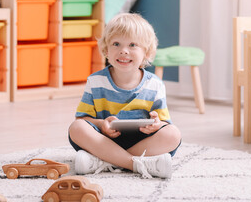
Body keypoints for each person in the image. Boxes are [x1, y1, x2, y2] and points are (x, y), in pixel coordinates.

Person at [68, 13, 182, 179]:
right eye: (116, 44)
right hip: (103, 141)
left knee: (173, 134)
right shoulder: (95, 81)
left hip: (142, 142)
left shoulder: (154, 84)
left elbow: (164, 122)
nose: (123, 51)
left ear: (147, 52)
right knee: (76, 128)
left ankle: (104, 162)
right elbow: (82, 120)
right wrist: (101, 124)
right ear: (106, 50)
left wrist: (156, 124)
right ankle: (134, 164)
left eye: (133, 45)